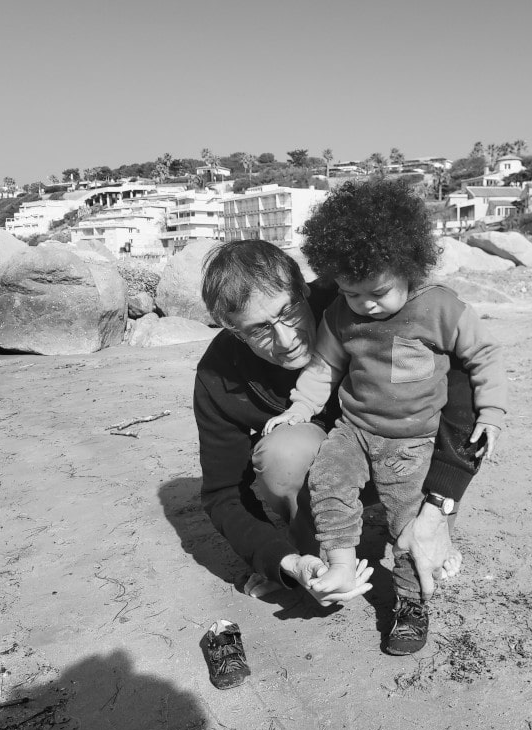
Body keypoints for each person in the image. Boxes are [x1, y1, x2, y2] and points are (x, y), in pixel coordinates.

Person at [264, 179, 507, 655]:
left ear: (408, 266)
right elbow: (324, 368)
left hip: (412, 442)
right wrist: (299, 408)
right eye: (352, 294)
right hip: (353, 430)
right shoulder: (340, 314)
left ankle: (412, 603)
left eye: (377, 292)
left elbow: (484, 356)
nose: (365, 305)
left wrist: (492, 412)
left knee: (407, 525)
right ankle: (338, 562)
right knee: (328, 482)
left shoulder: (440, 306)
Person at [194, 239, 483, 613]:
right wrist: (279, 559)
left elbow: (464, 392)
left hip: (402, 450)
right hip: (333, 465)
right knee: (284, 452)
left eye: (288, 312)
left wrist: (440, 507)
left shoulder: (358, 297)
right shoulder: (218, 374)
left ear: (304, 287)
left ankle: (429, 531)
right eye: (259, 330)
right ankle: (314, 547)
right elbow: (222, 494)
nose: (286, 340)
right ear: (233, 330)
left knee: (422, 411)